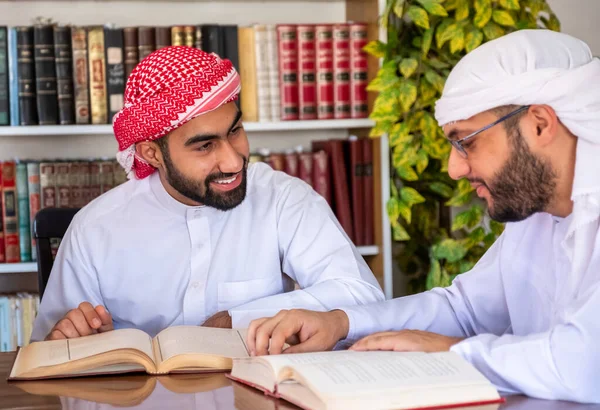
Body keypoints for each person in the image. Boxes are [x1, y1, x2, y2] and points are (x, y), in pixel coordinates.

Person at [246, 29, 600, 403]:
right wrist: (340, 322)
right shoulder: (535, 215)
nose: (454, 169)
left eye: (466, 142)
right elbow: (463, 309)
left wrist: (451, 354)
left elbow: (585, 362)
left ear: (539, 124)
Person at [30, 46, 384, 342]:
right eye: (205, 146)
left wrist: (238, 319)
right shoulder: (95, 228)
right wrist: (73, 340)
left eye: (235, 132)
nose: (233, 160)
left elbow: (362, 295)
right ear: (152, 153)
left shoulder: (282, 197)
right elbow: (48, 350)